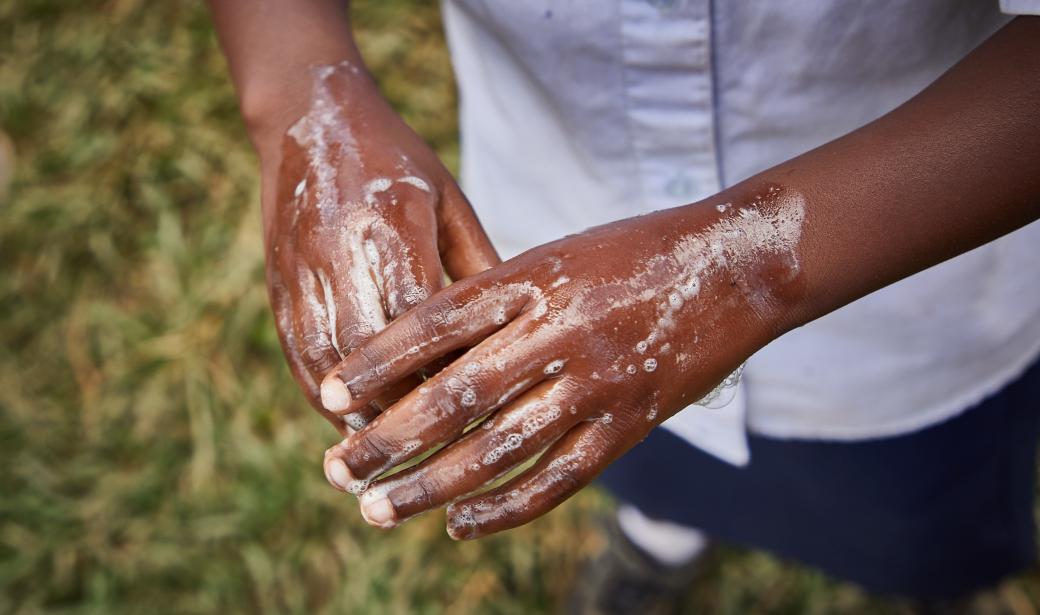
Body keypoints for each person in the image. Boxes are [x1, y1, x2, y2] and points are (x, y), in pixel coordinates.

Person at [207, 1, 1040, 611]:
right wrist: (298, 86)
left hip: (907, 275)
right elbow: (291, 59)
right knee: (635, 461)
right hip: (550, 213)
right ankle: (660, 534)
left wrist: (745, 270)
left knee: (907, 520)